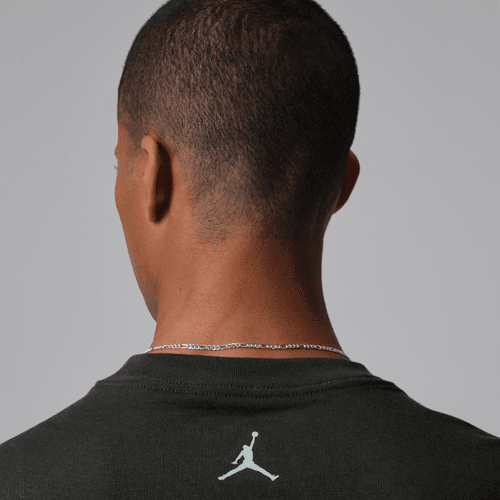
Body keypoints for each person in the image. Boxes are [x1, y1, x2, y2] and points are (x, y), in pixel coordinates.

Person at [1, 0, 499, 498]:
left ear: (153, 175)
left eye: (120, 166)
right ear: (340, 185)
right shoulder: (478, 474)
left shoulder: (22, 479)